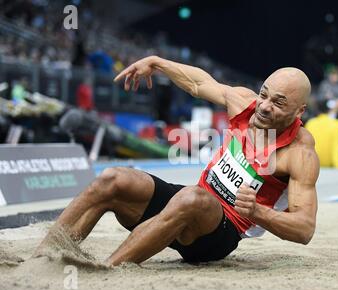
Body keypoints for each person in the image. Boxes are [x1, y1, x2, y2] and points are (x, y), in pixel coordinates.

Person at [34, 55, 320, 266]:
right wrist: (158, 63)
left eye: (279, 103)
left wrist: (258, 212)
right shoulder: (246, 104)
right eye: (264, 95)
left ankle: (108, 268)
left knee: (192, 197)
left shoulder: (299, 153)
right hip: (182, 207)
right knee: (114, 178)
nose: (265, 107)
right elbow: (199, 83)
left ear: (299, 111)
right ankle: (42, 258)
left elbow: (304, 228)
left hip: (218, 234)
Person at [305, 100, 338, 168]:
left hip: (312, 165)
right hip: (329, 167)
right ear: (329, 110)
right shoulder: (336, 124)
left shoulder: (310, 123)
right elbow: (336, 148)